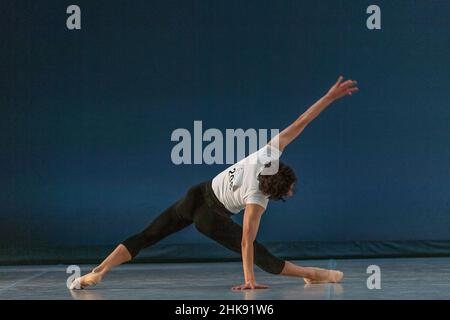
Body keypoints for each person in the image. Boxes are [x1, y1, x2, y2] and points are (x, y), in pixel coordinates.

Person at [70, 76, 358, 290]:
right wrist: (249, 280)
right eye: (289, 190)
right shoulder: (257, 199)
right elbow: (247, 241)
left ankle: (99, 270)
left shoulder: (268, 154)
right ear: (274, 191)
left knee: (148, 235)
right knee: (266, 260)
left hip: (196, 194)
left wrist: (329, 97)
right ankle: (316, 274)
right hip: (210, 217)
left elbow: (302, 121)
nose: (292, 191)